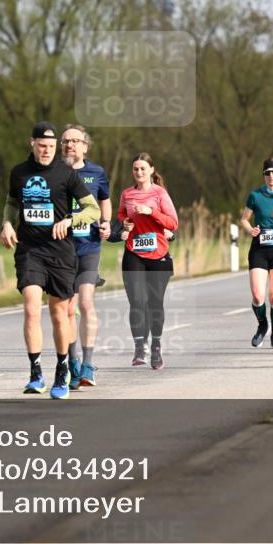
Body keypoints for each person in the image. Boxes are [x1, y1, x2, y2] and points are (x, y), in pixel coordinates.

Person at [1, 122, 101, 400]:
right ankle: (35, 373)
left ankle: (62, 369)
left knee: (59, 313)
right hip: (30, 249)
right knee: (32, 308)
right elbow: (11, 203)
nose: (47, 151)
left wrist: (71, 220)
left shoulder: (66, 174)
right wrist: (7, 224)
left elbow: (92, 209)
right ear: (32, 143)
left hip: (60, 252)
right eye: (42, 146)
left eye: (51, 147)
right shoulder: (19, 173)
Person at [60, 124, 111, 388]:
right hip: (61, 249)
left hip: (89, 246)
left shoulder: (97, 172)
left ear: (85, 146)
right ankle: (73, 362)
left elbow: (105, 199)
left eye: (75, 141)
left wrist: (106, 222)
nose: (70, 145)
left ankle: (88, 365)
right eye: (66, 141)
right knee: (67, 308)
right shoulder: (54, 173)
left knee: (86, 304)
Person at [118, 153, 179, 370]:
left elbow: (173, 223)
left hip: (158, 255)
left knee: (154, 304)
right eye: (136, 169)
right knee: (136, 301)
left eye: (143, 168)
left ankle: (156, 346)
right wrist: (125, 224)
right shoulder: (127, 194)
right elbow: (121, 216)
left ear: (151, 170)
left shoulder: (160, 194)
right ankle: (138, 347)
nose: (139, 172)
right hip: (134, 252)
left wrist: (151, 212)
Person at [240, 157, 273, 349]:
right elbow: (245, 219)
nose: (271, 176)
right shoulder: (255, 195)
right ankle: (262, 325)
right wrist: (249, 229)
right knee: (258, 295)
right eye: (267, 173)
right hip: (259, 247)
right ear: (263, 175)